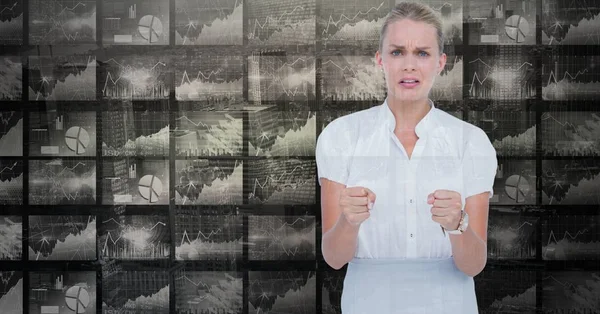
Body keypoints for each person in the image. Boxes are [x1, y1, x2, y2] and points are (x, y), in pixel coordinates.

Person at [315, 2, 498, 314]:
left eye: (422, 53)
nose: (409, 65)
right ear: (380, 59)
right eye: (397, 52)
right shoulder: (342, 136)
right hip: (367, 304)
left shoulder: (471, 142)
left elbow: (474, 265)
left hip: (450, 303)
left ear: (441, 62)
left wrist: (458, 224)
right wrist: (349, 221)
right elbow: (333, 258)